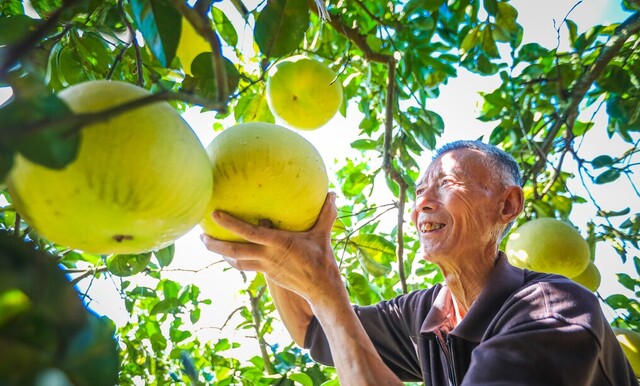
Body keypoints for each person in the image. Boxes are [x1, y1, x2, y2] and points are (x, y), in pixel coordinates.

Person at [201, 140, 637, 385]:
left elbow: (326, 311)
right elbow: (314, 331)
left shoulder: (552, 306)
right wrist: (279, 238)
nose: (422, 203)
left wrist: (325, 286)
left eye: (447, 184)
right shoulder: (425, 316)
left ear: (507, 206)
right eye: (420, 191)